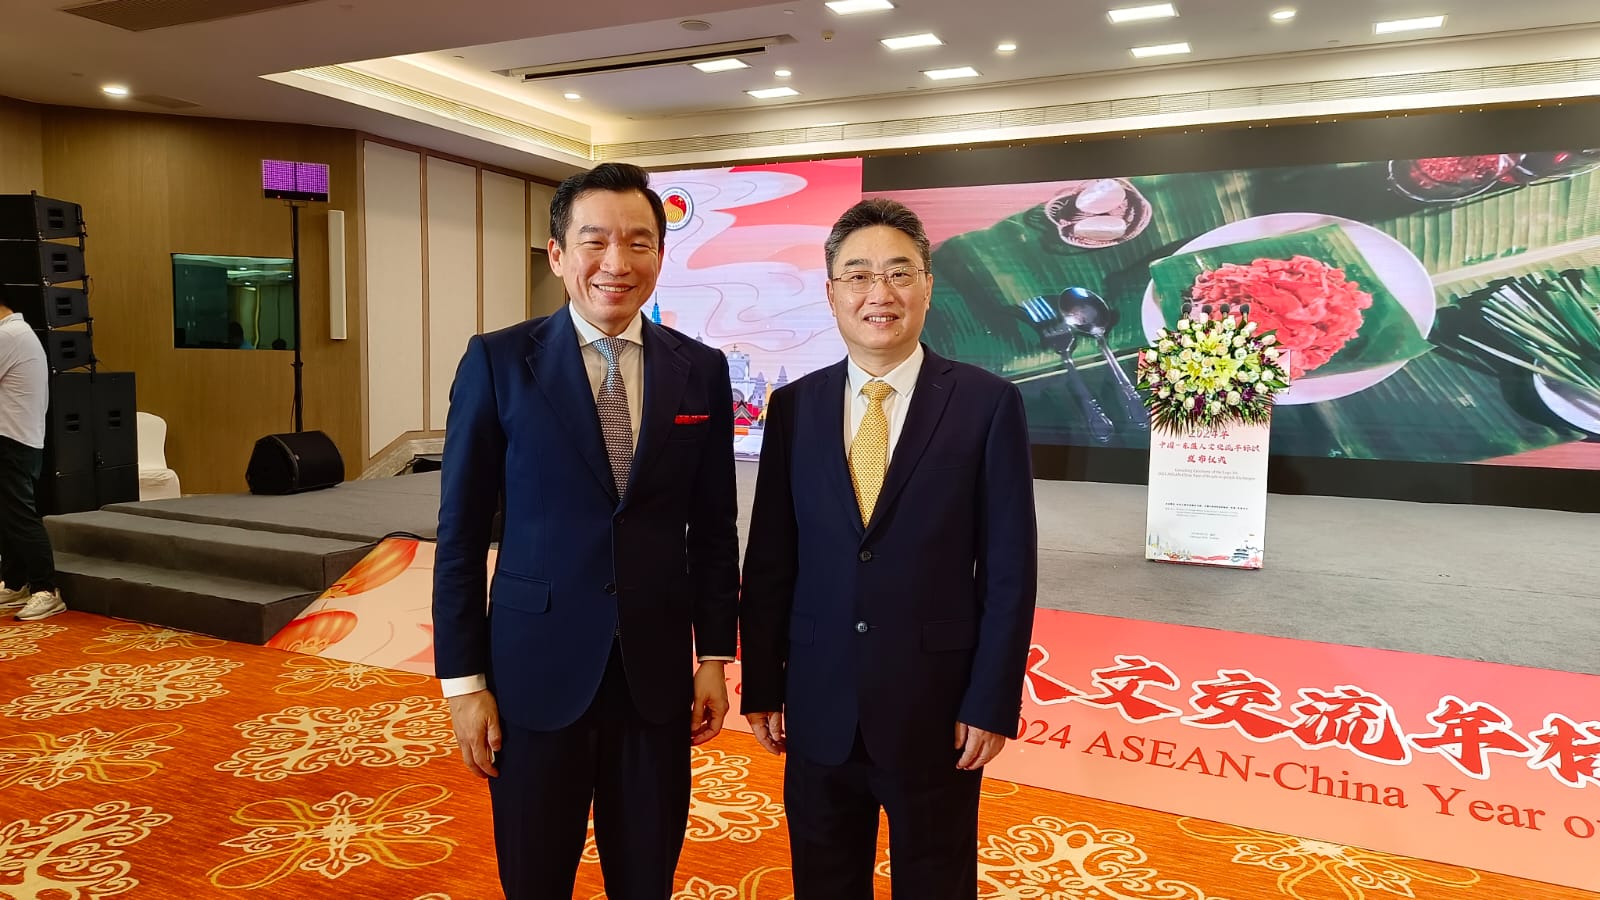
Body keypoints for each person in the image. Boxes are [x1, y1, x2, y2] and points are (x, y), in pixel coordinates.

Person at [433, 162, 740, 900]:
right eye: (595, 241)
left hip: (655, 675)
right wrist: (463, 683)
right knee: (536, 876)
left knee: (647, 875)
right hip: (532, 674)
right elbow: (461, 533)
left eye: (639, 243)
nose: (616, 263)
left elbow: (715, 525)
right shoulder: (499, 361)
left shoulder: (699, 369)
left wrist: (714, 656)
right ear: (557, 255)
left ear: (660, 257)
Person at [739, 198, 1038, 899]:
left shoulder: (986, 404)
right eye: (859, 275)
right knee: (823, 874)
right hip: (818, 701)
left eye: (900, 273)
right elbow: (773, 558)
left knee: (935, 879)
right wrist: (763, 683)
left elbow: (1008, 569)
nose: (881, 294)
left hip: (934, 706)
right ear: (832, 293)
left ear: (929, 285)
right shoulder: (795, 408)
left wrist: (992, 699)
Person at [0, 299, 64, 621]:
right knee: (9, 517)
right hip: (17, 438)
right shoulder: (18, 333)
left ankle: (45, 589)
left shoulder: (9, 336)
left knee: (21, 517)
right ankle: (15, 583)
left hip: (12, 440)